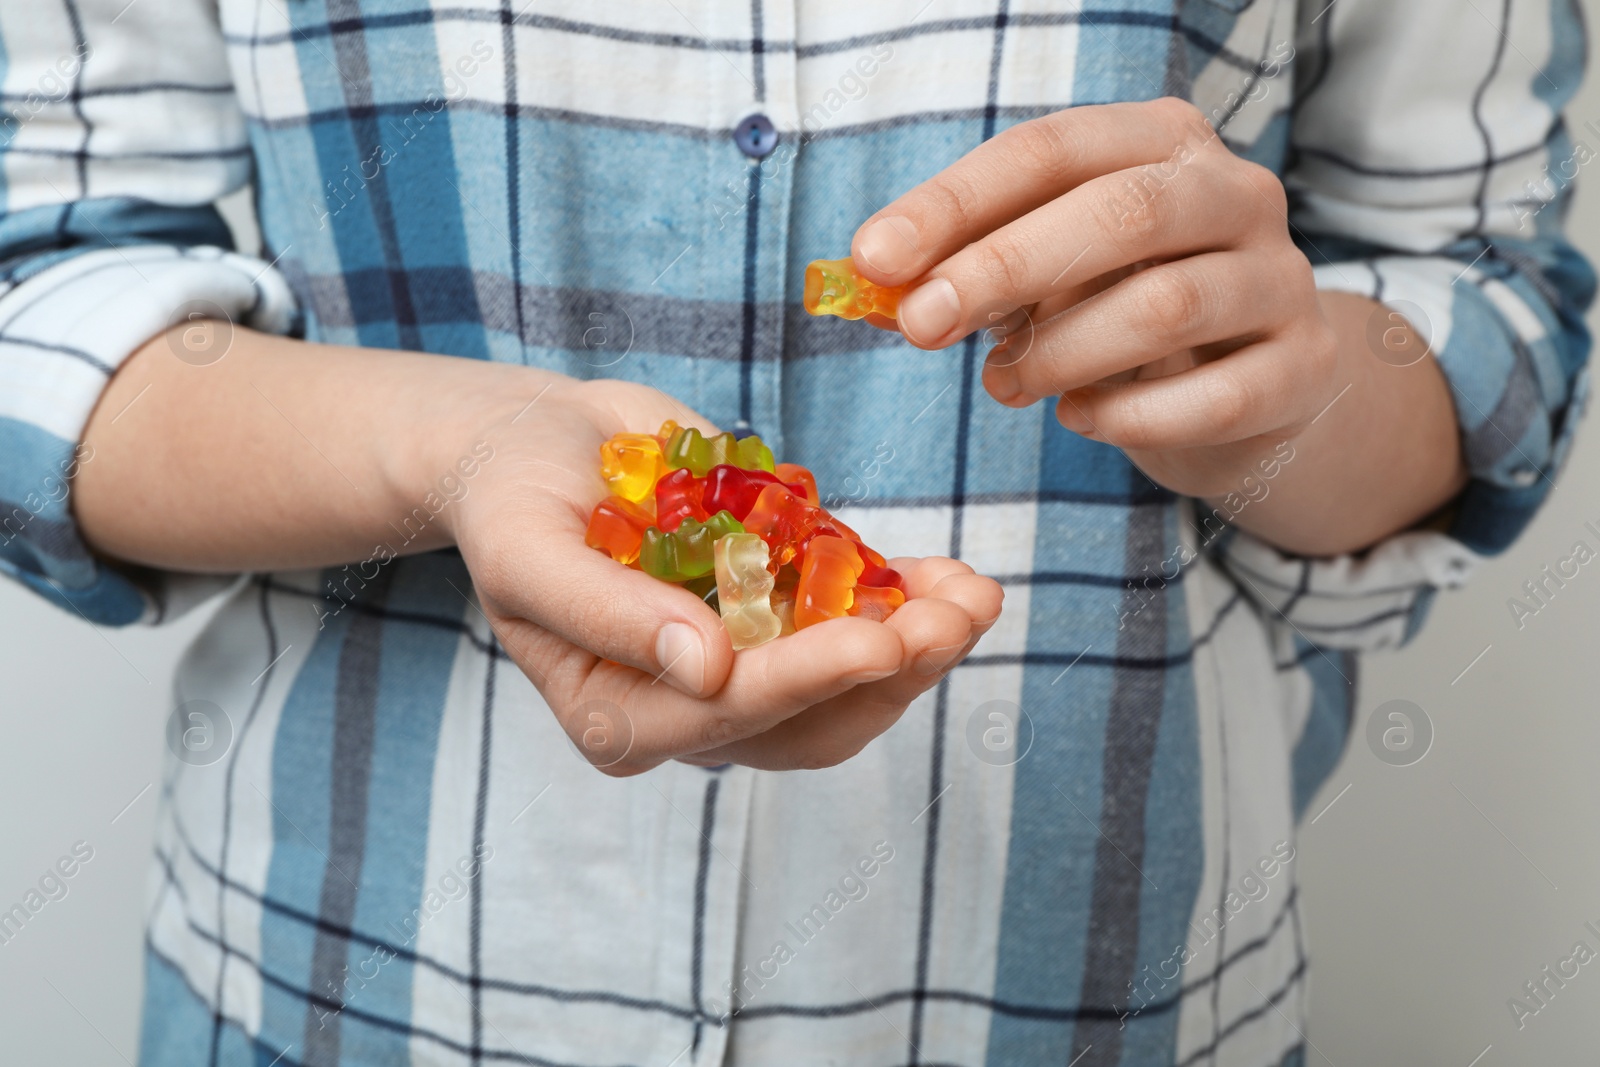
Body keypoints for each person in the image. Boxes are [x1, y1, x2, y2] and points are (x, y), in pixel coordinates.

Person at [1, 0, 1589, 1064]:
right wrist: (454, 449)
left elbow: (1487, 309)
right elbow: (44, 303)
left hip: (1110, 999)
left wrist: (1278, 392)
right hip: (325, 992)